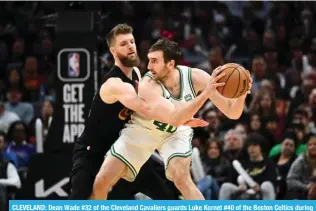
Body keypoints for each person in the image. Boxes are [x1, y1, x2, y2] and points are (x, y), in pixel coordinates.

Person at [69, 23, 217, 200]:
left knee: (168, 193)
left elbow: (157, 107)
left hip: (123, 147)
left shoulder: (137, 75)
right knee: (82, 201)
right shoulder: (114, 84)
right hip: (92, 151)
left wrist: (179, 117)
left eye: (131, 41)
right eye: (123, 44)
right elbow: (147, 109)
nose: (131, 46)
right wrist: (179, 117)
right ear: (113, 51)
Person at [91, 38, 252, 200]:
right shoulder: (148, 84)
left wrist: (242, 92)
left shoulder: (196, 77)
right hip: (145, 128)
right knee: (101, 181)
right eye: (149, 61)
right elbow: (175, 118)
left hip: (175, 131)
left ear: (170, 64)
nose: (149, 67)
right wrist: (207, 94)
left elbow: (233, 113)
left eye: (154, 61)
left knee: (182, 178)